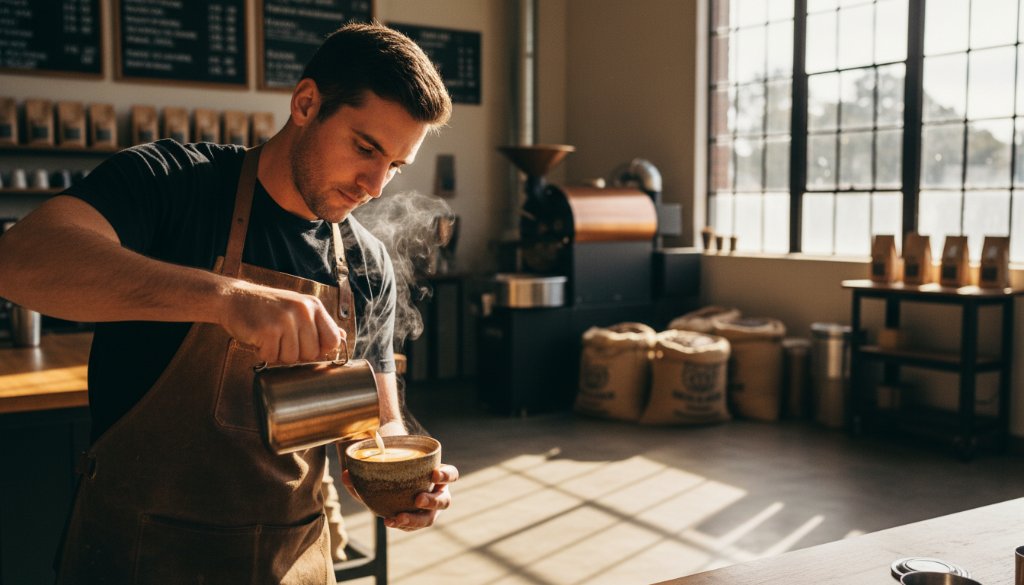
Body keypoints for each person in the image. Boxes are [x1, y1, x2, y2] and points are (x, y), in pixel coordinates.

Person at [0, 22, 458, 584]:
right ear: (306, 104)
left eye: (395, 166)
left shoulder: (367, 265)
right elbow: (19, 260)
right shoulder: (173, 183)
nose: (375, 185)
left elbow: (373, 427)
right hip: (137, 558)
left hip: (291, 563)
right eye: (366, 148)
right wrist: (225, 298)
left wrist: (401, 483)